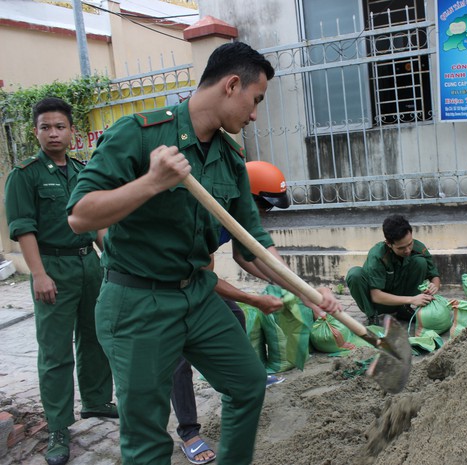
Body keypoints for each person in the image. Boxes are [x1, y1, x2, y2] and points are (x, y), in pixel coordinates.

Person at [66, 41, 341, 465]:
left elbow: (253, 246)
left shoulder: (229, 157)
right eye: (256, 100)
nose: (254, 115)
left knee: (248, 384)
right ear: (232, 85)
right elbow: (80, 217)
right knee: (146, 434)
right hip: (136, 301)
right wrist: (153, 182)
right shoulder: (138, 134)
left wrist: (306, 292)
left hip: (197, 295)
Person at [4, 97, 117, 465]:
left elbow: (95, 221)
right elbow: (23, 229)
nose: (53, 133)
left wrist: (111, 257)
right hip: (52, 268)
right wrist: (38, 274)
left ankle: (97, 400)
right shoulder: (25, 174)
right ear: (35, 132)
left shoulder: (83, 170)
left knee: (95, 336)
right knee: (55, 353)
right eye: (45, 127)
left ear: (72, 132)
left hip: (90, 266)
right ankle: (57, 426)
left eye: (60, 126)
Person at [170, 160, 304, 465]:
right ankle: (189, 432)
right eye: (263, 207)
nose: (264, 215)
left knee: (234, 316)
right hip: (168, 288)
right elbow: (207, 276)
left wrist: (289, 285)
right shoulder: (206, 212)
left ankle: (246, 372)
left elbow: (246, 256)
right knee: (177, 359)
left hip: (196, 282)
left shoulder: (234, 217)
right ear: (246, 195)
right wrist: (253, 298)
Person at [345, 214, 441, 325]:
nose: (407, 250)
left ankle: (404, 310)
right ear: (389, 244)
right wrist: (412, 299)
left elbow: (434, 275)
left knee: (420, 262)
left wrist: (434, 286)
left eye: (410, 244)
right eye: (401, 248)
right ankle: (372, 316)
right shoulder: (377, 255)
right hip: (378, 303)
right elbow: (376, 296)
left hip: (402, 301)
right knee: (354, 274)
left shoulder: (419, 248)